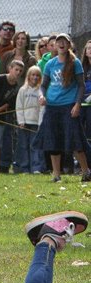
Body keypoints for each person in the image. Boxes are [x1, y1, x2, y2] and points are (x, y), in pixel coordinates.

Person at [37, 33, 91, 182]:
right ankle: (56, 175)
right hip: (52, 107)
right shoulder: (50, 64)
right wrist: (42, 96)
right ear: (54, 45)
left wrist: (77, 104)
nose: (61, 44)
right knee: (53, 141)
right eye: (58, 41)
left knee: (75, 140)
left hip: (69, 106)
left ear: (69, 45)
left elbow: (81, 86)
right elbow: (43, 85)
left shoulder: (75, 63)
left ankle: (86, 171)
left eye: (64, 42)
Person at [16, 66, 45, 174]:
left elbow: (42, 108)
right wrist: (21, 121)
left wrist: (40, 123)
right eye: (33, 75)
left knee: (35, 146)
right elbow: (19, 106)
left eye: (37, 75)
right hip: (24, 123)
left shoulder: (40, 91)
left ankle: (36, 167)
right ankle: (24, 168)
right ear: (28, 76)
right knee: (23, 145)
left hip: (35, 123)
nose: (35, 77)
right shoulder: (23, 90)